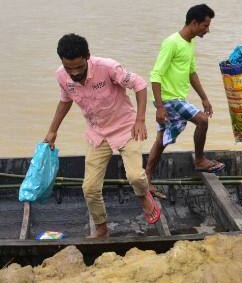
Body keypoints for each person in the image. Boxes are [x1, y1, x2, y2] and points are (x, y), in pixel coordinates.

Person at [44, 34, 159, 238]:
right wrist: (53, 130)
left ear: (87, 56)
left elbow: (139, 84)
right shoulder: (62, 76)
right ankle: (102, 228)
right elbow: (65, 101)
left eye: (79, 67)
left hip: (126, 127)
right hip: (97, 133)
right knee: (89, 188)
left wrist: (140, 119)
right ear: (61, 61)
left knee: (135, 177)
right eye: (69, 68)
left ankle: (144, 196)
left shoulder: (108, 67)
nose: (74, 73)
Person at [146, 4, 224, 194]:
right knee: (202, 120)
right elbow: (155, 75)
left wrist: (204, 98)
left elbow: (191, 73)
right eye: (205, 26)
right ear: (194, 23)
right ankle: (199, 160)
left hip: (176, 98)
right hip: (169, 99)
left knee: (161, 141)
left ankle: (146, 178)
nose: (208, 30)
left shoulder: (190, 43)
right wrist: (159, 107)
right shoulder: (171, 42)